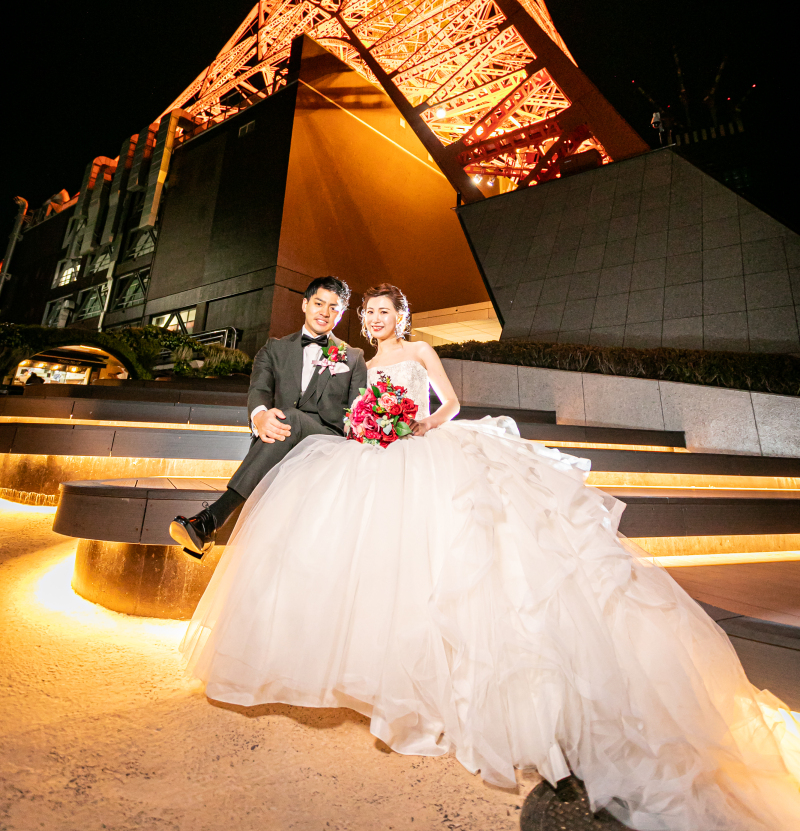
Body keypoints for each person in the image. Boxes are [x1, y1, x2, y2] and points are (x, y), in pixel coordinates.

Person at [182, 283, 800, 829]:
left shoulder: (419, 352)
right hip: (378, 454)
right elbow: (349, 411)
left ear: (401, 316)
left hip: (427, 448)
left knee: (449, 557)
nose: (374, 319)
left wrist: (420, 425)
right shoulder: (360, 362)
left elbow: (449, 405)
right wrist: (370, 426)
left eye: (382, 311)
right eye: (367, 313)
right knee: (383, 566)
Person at [169, 276, 367, 558]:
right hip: (278, 437)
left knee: (292, 418)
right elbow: (259, 389)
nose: (325, 312)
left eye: (333, 307)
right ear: (305, 304)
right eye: (319, 303)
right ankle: (207, 530)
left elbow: (357, 410)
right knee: (285, 420)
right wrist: (259, 416)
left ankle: (212, 518)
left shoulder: (353, 357)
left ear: (341, 314)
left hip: (328, 442)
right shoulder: (273, 349)